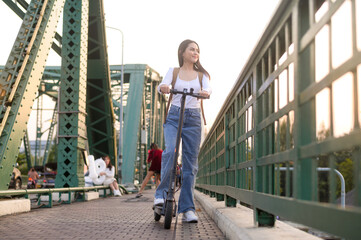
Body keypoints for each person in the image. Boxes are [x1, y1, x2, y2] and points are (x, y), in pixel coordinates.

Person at [154, 39, 211, 223]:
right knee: (170, 151)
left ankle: (187, 209)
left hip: (193, 119)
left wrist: (206, 93)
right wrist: (163, 87)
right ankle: (161, 196)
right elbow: (162, 85)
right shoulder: (174, 71)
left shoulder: (202, 76)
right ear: (182, 52)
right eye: (192, 49)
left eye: (197, 50)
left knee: (190, 165)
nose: (195, 52)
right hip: (174, 116)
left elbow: (208, 90)